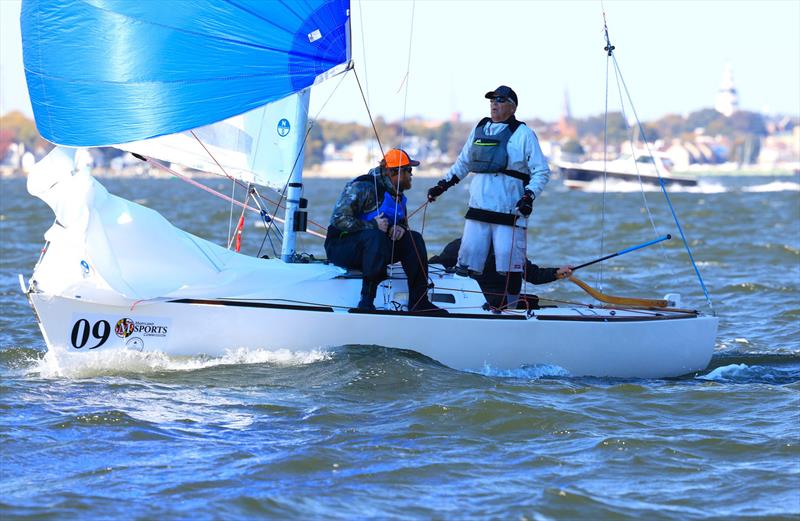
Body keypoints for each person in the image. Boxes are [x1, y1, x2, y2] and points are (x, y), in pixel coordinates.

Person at [427, 85, 550, 306]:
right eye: (492, 100)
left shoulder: (524, 135)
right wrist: (441, 186)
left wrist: (529, 197)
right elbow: (463, 163)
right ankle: (466, 306)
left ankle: (510, 309)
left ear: (512, 108)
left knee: (509, 264)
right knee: (466, 262)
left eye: (500, 100)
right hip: (478, 210)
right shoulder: (479, 130)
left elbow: (541, 171)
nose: (494, 103)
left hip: (508, 212)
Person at [325, 149, 446, 314]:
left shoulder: (398, 195)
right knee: (375, 236)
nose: (412, 175)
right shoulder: (363, 187)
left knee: (414, 238)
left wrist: (400, 228)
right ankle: (366, 302)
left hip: (375, 251)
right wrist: (372, 225)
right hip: (341, 248)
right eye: (408, 170)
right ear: (393, 172)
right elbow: (338, 219)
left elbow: (403, 223)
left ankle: (419, 301)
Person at [429, 238, 573, 309]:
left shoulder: (510, 250)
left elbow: (533, 275)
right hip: (474, 301)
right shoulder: (462, 245)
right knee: (530, 301)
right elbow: (437, 265)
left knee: (531, 300)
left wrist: (556, 273)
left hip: (503, 302)